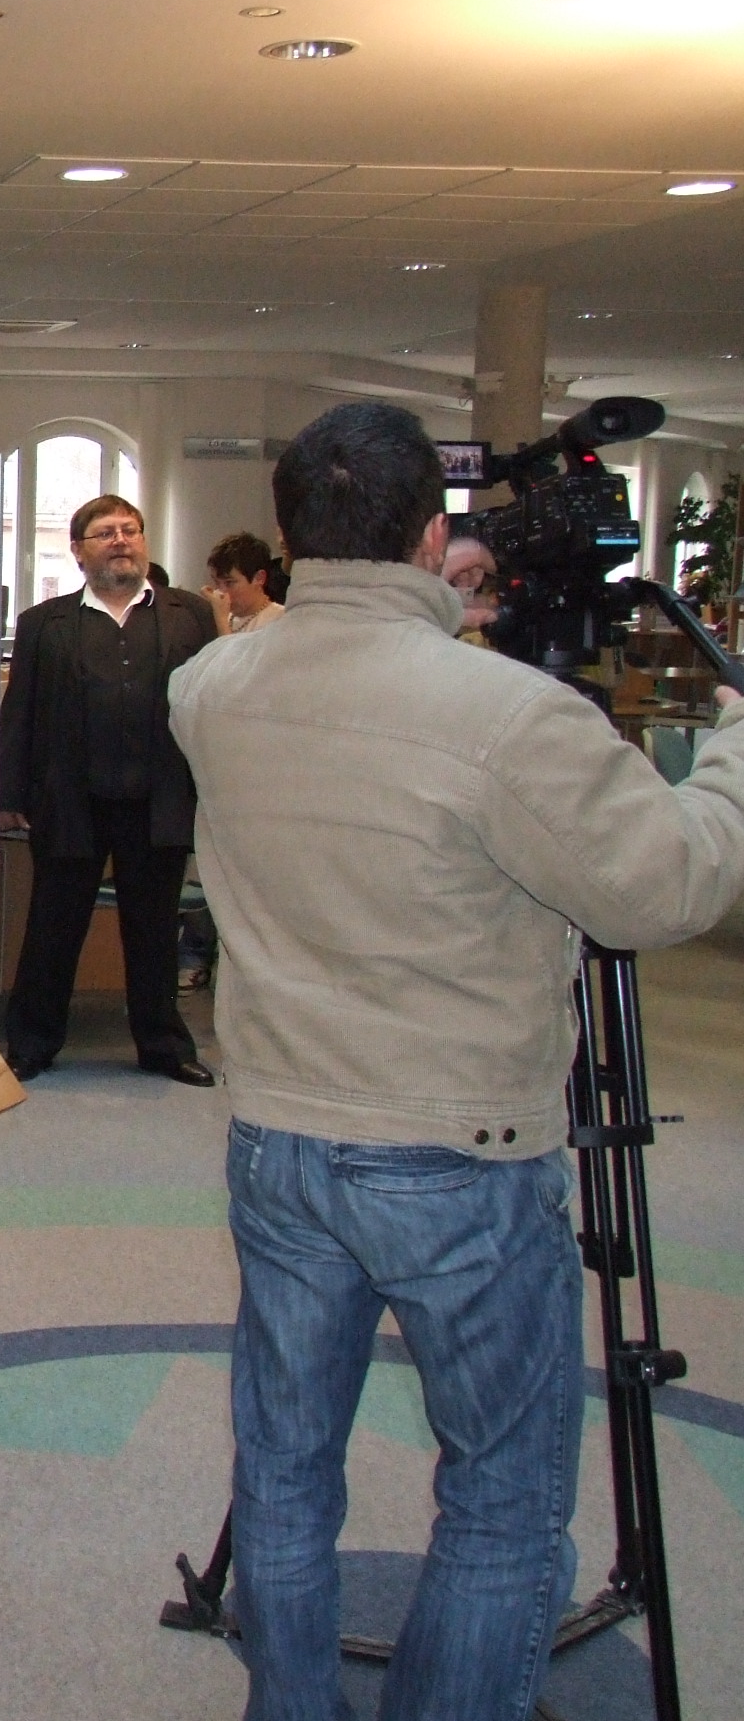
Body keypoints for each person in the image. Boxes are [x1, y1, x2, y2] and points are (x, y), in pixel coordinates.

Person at [170, 401, 744, 1721]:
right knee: (501, 1497)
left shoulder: (209, 688)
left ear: (290, 532)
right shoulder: (512, 716)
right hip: (461, 1156)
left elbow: (349, 698)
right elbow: (661, 889)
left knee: (286, 1472)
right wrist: (731, 757)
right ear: (434, 537)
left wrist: (425, 608)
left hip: (280, 1138)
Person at [0, 493, 218, 1085]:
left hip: (158, 801)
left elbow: (212, 707)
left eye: (130, 530)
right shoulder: (44, 624)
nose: (121, 540)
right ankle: (32, 1044)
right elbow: (20, 715)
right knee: (53, 927)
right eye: (106, 532)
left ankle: (164, 1047)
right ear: (78, 551)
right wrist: (9, 797)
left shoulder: (189, 615)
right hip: (71, 802)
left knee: (154, 930)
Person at [204, 532, 288, 636]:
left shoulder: (281, 619)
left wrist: (221, 620)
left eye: (229, 583)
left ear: (259, 578)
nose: (221, 592)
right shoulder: (219, 618)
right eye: (216, 582)